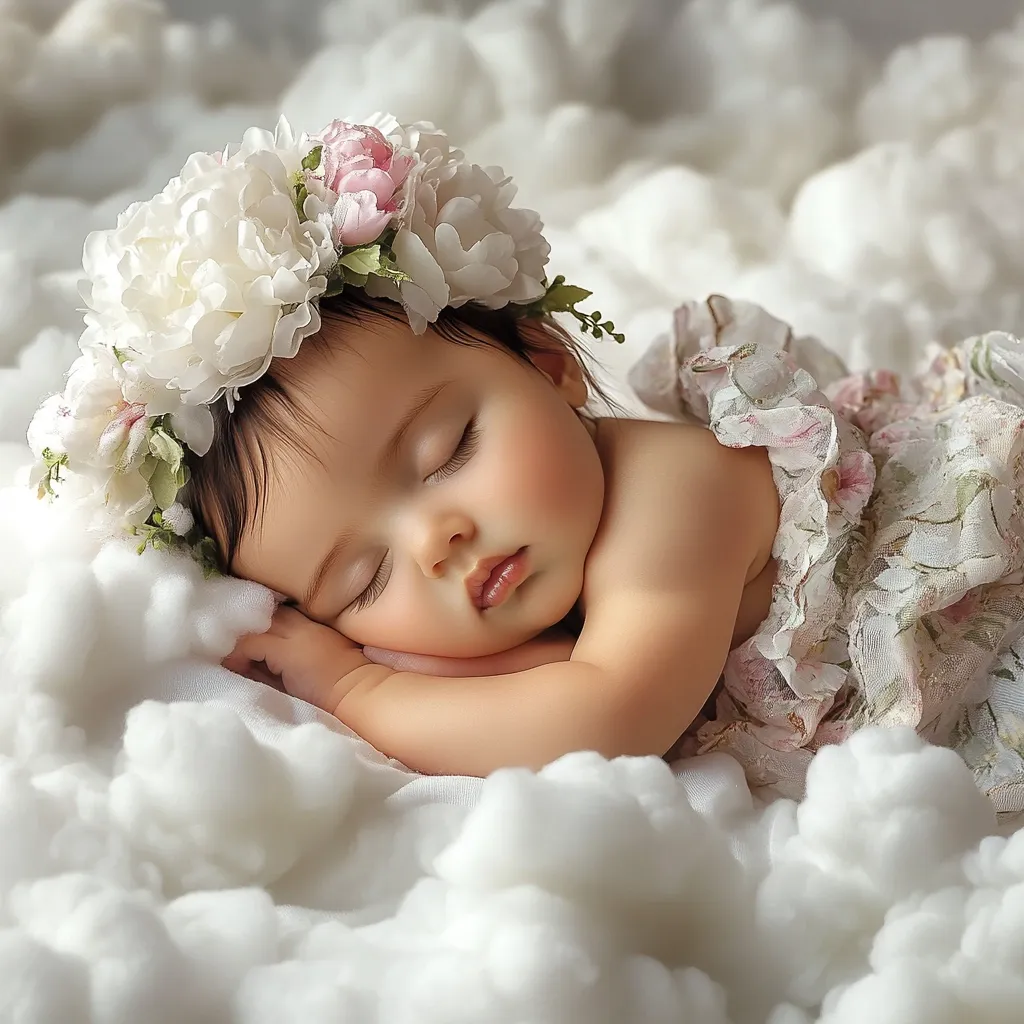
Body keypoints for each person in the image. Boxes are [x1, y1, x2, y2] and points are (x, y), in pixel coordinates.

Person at [28, 115, 1024, 813]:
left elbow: (604, 710)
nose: (435, 538)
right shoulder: (544, 565)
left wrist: (359, 690)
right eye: (364, 577)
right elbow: (538, 681)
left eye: (445, 451)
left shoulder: (669, 499)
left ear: (550, 369)